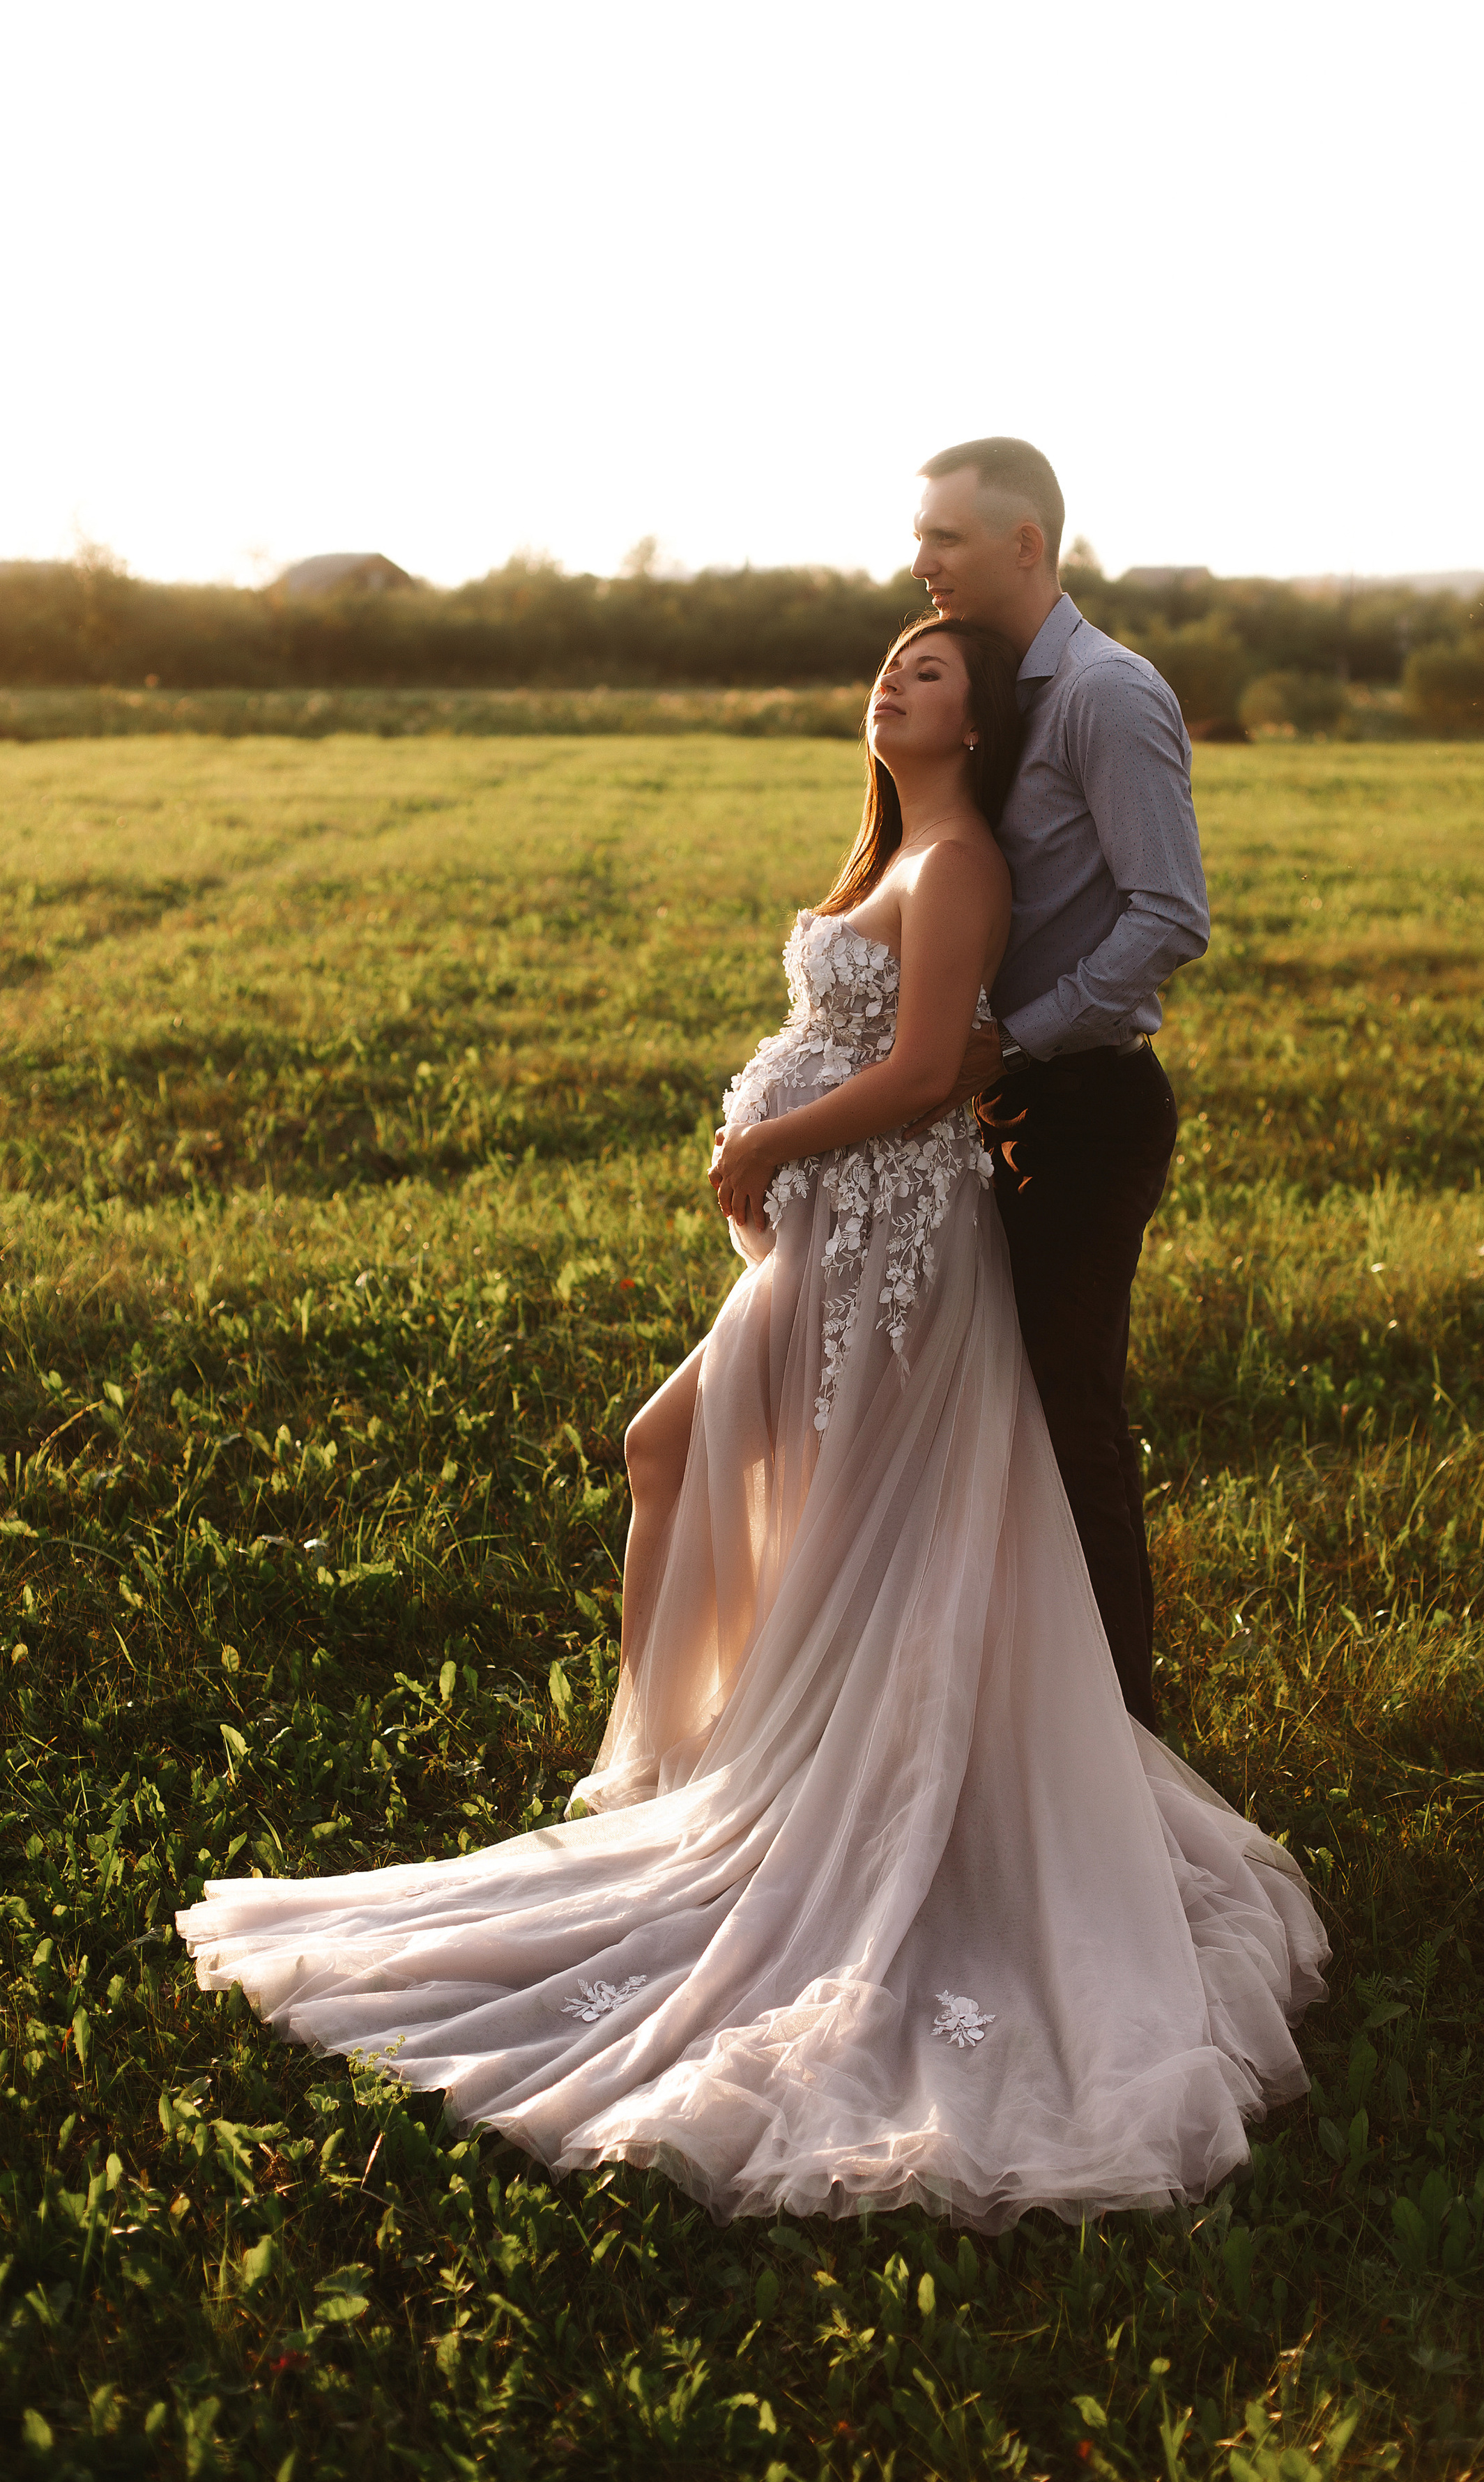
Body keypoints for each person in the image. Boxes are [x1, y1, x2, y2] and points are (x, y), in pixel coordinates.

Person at [178, 607, 1325, 2228]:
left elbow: (925, 1070)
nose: (892, 681)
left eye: (928, 673)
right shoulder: (891, 851)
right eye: (889, 665)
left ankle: (670, 1774)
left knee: (689, 1458)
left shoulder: (960, 867)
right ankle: (695, 1756)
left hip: (883, 1239)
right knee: (732, 1478)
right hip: (840, 1229)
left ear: (977, 726)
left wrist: (767, 1146)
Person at [908, 438, 1209, 1732]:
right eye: (922, 536)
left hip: (1084, 1109)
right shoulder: (1001, 691)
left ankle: (1123, 1741)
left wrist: (1019, 1039)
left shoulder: (1105, 695)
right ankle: (1015, 1718)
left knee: (1067, 1413)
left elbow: (1169, 914)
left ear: (1025, 545)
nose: (922, 562)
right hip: (997, 1099)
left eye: (946, 538)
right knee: (987, 1407)